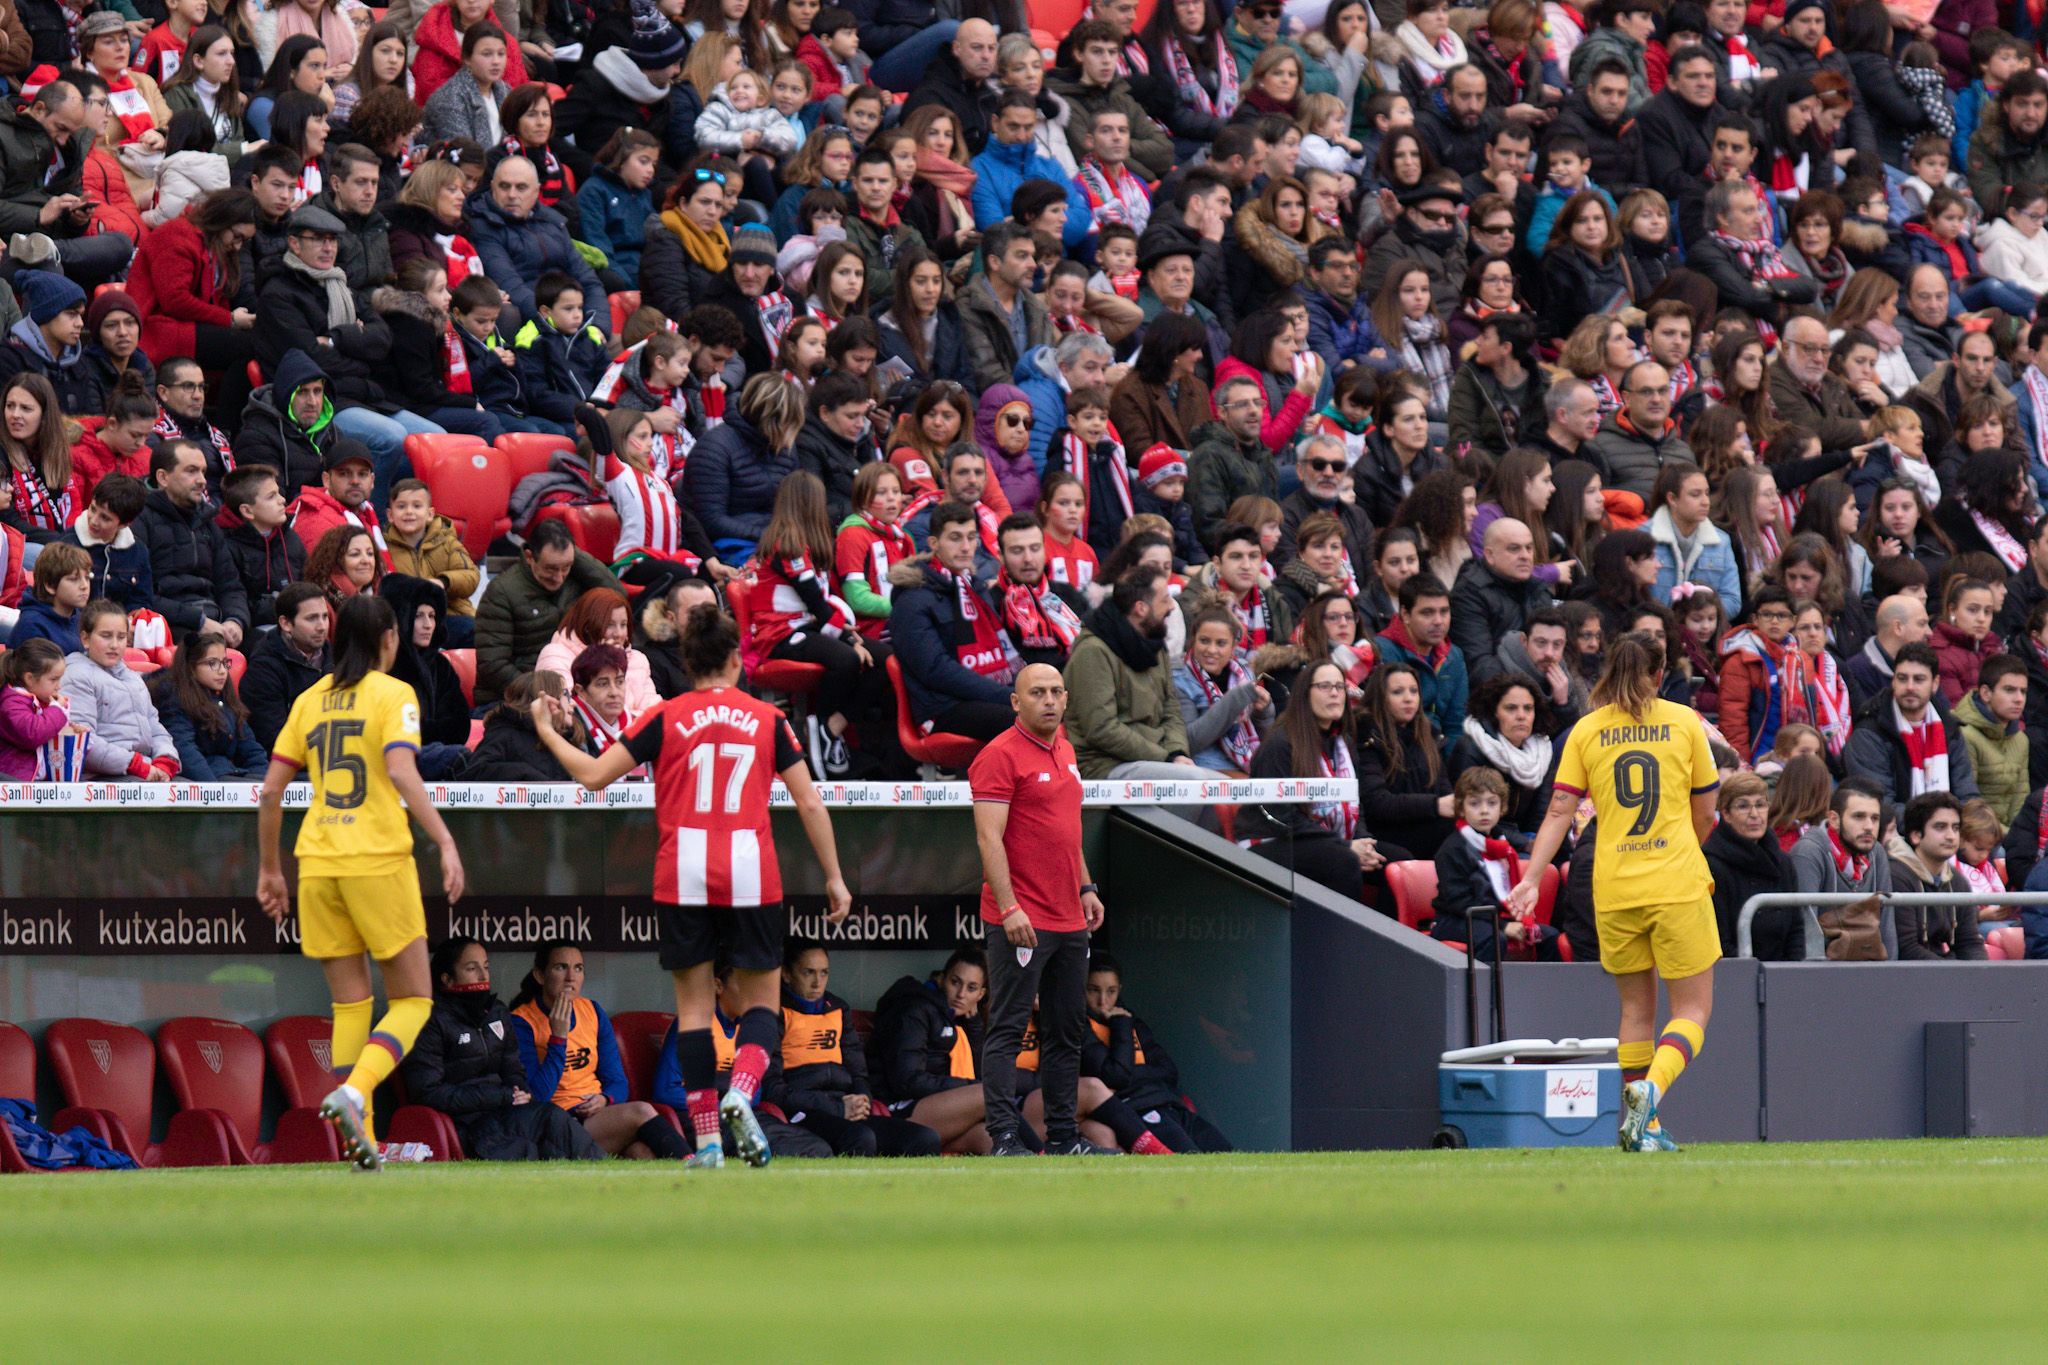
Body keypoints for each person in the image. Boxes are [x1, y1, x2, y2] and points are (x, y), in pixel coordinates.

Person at [526, 602, 852, 1169]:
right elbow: (807, 799)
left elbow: (594, 776)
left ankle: (706, 1145)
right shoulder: (768, 720)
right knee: (762, 1007)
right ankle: (743, 1096)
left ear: (685, 660)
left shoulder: (665, 716)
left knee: (695, 1013)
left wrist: (544, 731)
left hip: (683, 873)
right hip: (751, 869)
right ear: (734, 659)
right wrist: (834, 876)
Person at [256, 595, 466, 1171]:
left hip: (317, 861)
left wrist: (270, 868)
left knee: (350, 1006)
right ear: (389, 641)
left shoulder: (308, 700)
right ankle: (354, 1094)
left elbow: (271, 790)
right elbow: (401, 769)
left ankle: (362, 1139)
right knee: (416, 1000)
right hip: (374, 857)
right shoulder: (393, 694)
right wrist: (445, 841)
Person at [1511, 631, 1717, 1152]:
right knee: (1691, 1010)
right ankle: (1651, 1091)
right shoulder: (1683, 721)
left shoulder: (1587, 729)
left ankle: (1642, 1130)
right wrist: (1684, 849)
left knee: (1634, 1011)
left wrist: (1532, 878)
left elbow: (1560, 810)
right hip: (1674, 881)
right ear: (1658, 672)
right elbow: (1707, 809)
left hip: (1614, 886)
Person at [971, 662, 1118, 1157]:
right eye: (1038, 692)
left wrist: (1086, 887)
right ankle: (1005, 1138)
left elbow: (1067, 832)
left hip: (1069, 915)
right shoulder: (998, 755)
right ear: (1016, 702)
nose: (1050, 700)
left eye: (1057, 691)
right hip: (1023, 919)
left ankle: (1062, 1138)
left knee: (1065, 1032)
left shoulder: (1066, 749)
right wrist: (1009, 907)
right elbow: (988, 837)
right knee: (1008, 1029)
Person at [402, 937, 604, 1162]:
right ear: (447, 979)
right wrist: (500, 1096)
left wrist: (520, 1091)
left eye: (486, 967)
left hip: (504, 1113)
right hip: (467, 1125)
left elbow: (513, 1070)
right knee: (531, 1151)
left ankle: (604, 1183)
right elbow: (428, 1092)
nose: (483, 976)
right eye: (472, 969)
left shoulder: (496, 1012)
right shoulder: (430, 1021)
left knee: (552, 1116)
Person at [506, 942, 682, 1160]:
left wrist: (605, 1099)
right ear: (540, 976)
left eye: (578, 968)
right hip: (555, 1124)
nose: (571, 977)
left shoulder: (592, 1011)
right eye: (560, 967)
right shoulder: (521, 1021)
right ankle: (692, 1161)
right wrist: (559, 1038)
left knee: (641, 1152)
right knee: (641, 1111)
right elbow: (537, 1095)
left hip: (596, 1115)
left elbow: (618, 1082)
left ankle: (685, 1190)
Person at [768, 941, 941, 1158]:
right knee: (860, 1137)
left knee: (924, 1139)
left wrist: (861, 1099)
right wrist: (836, 1108)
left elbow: (858, 1073)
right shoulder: (773, 1013)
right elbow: (773, 1089)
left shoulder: (838, 1009)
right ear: (786, 974)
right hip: (802, 1112)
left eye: (824, 973)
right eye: (808, 973)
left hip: (846, 1107)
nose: (816, 983)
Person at [888, 500, 1016, 743]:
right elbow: (936, 671)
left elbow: (1003, 649)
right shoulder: (912, 600)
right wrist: (1004, 694)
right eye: (955, 538)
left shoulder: (975, 588)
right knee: (1023, 719)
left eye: (971, 537)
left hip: (980, 697)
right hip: (942, 708)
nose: (966, 547)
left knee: (1050, 707)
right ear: (934, 543)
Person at [473, 518, 623, 707]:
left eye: (566, 567)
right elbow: (493, 666)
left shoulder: (576, 579)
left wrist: (571, 554)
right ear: (529, 557)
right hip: (511, 699)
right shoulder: (501, 592)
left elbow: (616, 597)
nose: (559, 577)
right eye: (551, 568)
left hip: (570, 690)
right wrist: (544, 692)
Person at [1841, 640, 1981, 821]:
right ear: (1893, 680)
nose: (1909, 687)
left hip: (1947, 830)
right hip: (1893, 835)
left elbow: (1967, 794)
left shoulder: (1949, 729)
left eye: (1919, 679)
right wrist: (1933, 824)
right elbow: (1879, 805)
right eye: (1902, 678)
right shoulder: (1870, 733)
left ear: (1935, 683)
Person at [1434, 765, 1563, 960]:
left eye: (1492, 803)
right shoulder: (1453, 849)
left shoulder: (1502, 846)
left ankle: (1547, 991)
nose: (1484, 811)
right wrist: (1502, 926)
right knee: (1493, 938)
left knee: (1550, 936)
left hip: (1492, 917)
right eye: (1475, 804)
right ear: (1461, 808)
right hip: (1457, 919)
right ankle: (1488, 991)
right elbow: (1458, 902)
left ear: (1502, 807)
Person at [134, 439, 248, 646]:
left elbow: (230, 585)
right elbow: (139, 594)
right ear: (163, 477)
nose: (202, 480)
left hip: (214, 620)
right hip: (167, 625)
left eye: (203, 472)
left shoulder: (207, 522)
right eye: (191, 471)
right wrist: (197, 621)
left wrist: (236, 620)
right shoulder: (139, 519)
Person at [63, 600, 180, 783]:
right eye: (106, 636)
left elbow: (156, 729)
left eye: (121, 637)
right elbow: (83, 740)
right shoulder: (76, 675)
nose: (115, 645)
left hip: (142, 769)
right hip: (102, 776)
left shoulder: (134, 679)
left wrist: (165, 761)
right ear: (85, 639)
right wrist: (134, 764)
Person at [1787, 777, 1893, 960]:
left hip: (1872, 970)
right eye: (1859, 817)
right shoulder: (1808, 852)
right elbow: (1805, 930)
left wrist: (1891, 975)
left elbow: (1887, 926)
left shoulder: (1877, 852)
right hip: (1822, 975)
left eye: (1875, 818)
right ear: (1834, 820)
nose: (1869, 827)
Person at [1450, 517, 1556, 684]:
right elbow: (1479, 665)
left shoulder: (1538, 591)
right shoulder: (1468, 594)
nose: (1525, 556)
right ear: (1490, 555)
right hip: (1494, 696)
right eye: (1514, 549)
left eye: (1529, 548)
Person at [151, 630, 267, 780]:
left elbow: (251, 749)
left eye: (225, 663)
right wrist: (212, 791)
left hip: (230, 772)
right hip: (205, 779)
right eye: (212, 663)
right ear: (191, 668)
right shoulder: (174, 697)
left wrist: (266, 782)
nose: (222, 671)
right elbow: (185, 750)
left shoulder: (225, 698)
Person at [1702, 771, 1793, 956]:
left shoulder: (1783, 862)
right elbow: (1720, 940)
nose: (1754, 814)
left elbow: (1796, 928)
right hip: (1739, 976)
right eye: (1743, 806)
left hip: (1785, 973)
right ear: (1726, 814)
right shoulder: (1713, 865)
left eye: (1760, 805)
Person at [242, 583, 331, 749]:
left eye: (324, 617)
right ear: (286, 624)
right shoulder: (263, 670)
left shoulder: (335, 657)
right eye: (312, 618)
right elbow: (275, 739)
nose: (322, 626)